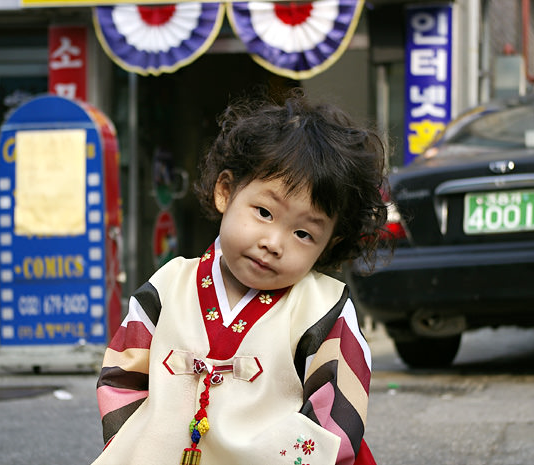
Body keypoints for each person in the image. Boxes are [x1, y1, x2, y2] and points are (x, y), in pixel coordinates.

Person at [92, 92, 387, 465]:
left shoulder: (324, 308)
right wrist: (139, 445)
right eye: (264, 212)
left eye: (303, 234)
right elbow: (123, 375)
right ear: (225, 191)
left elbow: (337, 413)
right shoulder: (169, 285)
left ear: (330, 243)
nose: (273, 242)